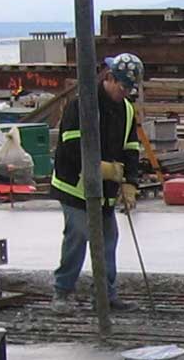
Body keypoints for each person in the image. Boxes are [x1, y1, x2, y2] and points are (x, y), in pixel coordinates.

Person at [50, 53, 147, 308]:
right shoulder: (83, 105)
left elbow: (131, 148)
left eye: (130, 89)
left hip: (104, 189)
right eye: (124, 87)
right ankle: (62, 291)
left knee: (108, 238)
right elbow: (71, 146)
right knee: (79, 234)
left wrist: (130, 183)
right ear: (110, 78)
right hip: (74, 186)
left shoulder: (126, 109)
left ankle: (105, 294)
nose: (126, 93)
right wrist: (99, 169)